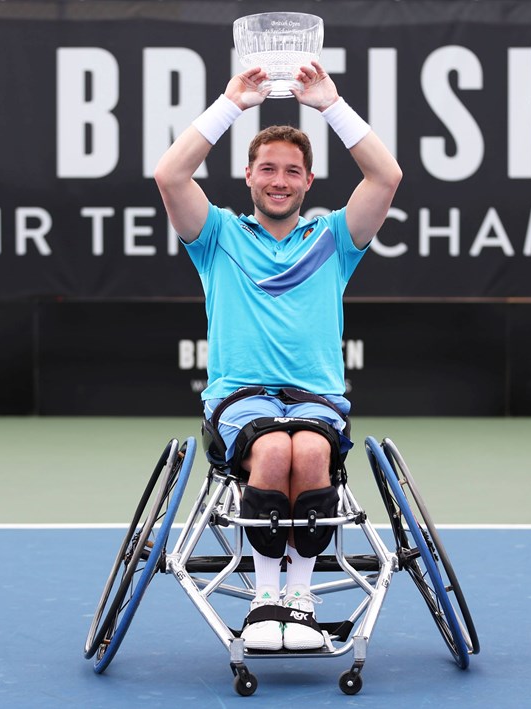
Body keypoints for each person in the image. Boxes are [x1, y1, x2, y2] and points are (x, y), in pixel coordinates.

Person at [154, 62, 401, 652]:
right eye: (268, 168)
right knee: (271, 450)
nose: (280, 180)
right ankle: (267, 601)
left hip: (315, 400)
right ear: (248, 176)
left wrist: (330, 104)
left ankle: (301, 600)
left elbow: (386, 176)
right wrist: (233, 103)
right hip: (241, 401)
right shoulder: (215, 237)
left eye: (293, 171)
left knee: (310, 450)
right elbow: (169, 174)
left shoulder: (335, 240)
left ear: (309, 182)